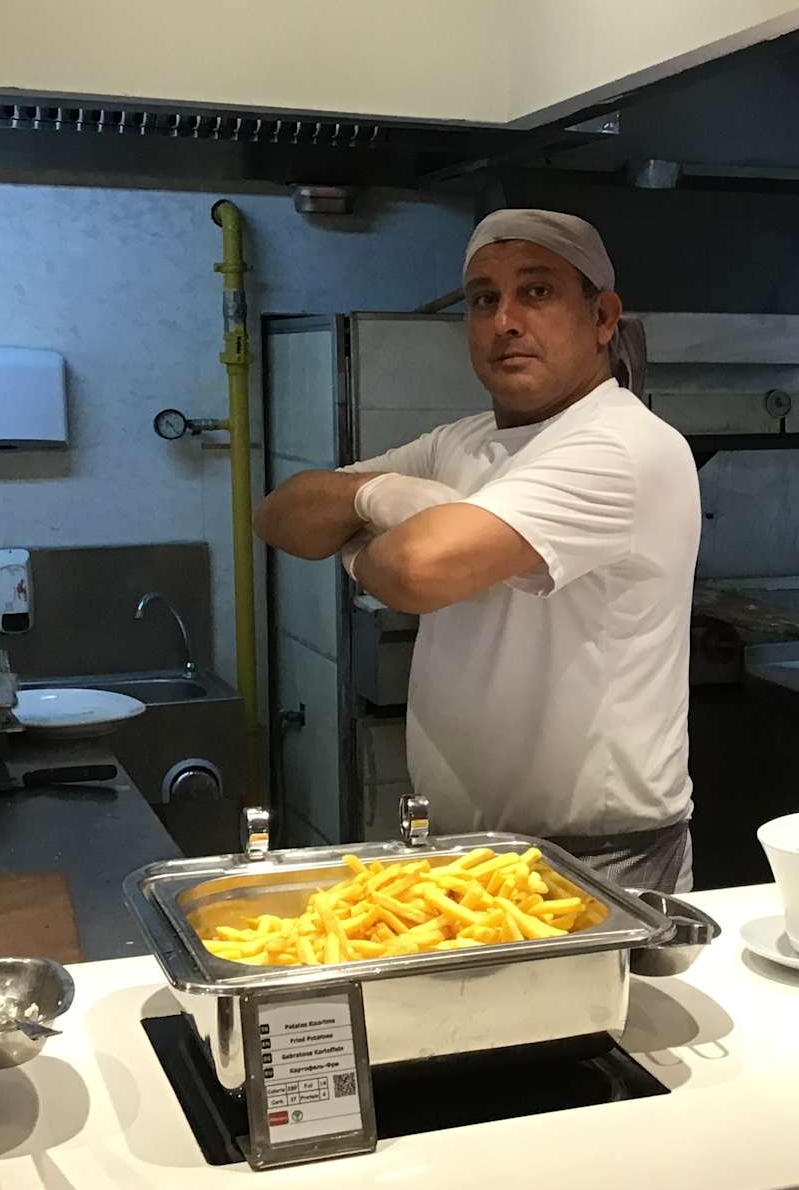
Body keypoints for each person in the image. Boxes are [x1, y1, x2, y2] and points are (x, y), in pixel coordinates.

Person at [255, 210, 701, 891]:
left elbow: (415, 571)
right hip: (462, 850)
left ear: (602, 317)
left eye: (537, 292)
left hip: (592, 858)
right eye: (484, 299)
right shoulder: (460, 442)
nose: (506, 321)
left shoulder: (620, 445)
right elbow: (280, 516)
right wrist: (381, 494)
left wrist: (356, 546)